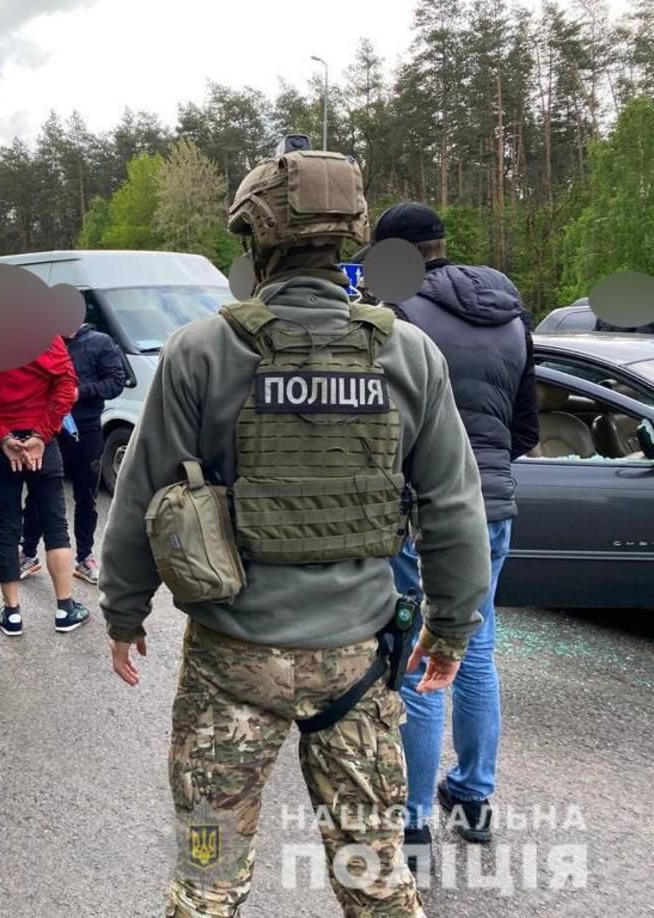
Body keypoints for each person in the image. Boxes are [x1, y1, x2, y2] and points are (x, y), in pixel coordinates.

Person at [99, 147, 493, 917]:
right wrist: (451, 629)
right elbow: (453, 505)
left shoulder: (202, 350)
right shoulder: (407, 352)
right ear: (350, 235)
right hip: (356, 664)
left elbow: (141, 495)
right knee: (377, 883)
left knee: (207, 880)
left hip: (230, 662)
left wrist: (123, 612)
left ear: (255, 238)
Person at [369, 202, 539, 856]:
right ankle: (472, 798)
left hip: (421, 511)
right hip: (493, 508)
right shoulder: (511, 315)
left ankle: (412, 820)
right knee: (474, 647)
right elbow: (525, 428)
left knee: (417, 657)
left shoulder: (397, 316)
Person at [0, 336, 87, 635]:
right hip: (43, 445)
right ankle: (65, 608)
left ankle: (12, 613)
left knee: (5, 528)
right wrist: (41, 435)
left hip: (1, 449)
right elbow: (66, 387)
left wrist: (3, 437)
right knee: (55, 525)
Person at [19, 321, 126, 585]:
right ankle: (28, 553)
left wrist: (79, 392)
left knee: (86, 497)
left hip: (86, 431)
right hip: (47, 430)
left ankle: (85, 557)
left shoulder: (100, 342)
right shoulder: (41, 342)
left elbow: (116, 382)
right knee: (38, 494)